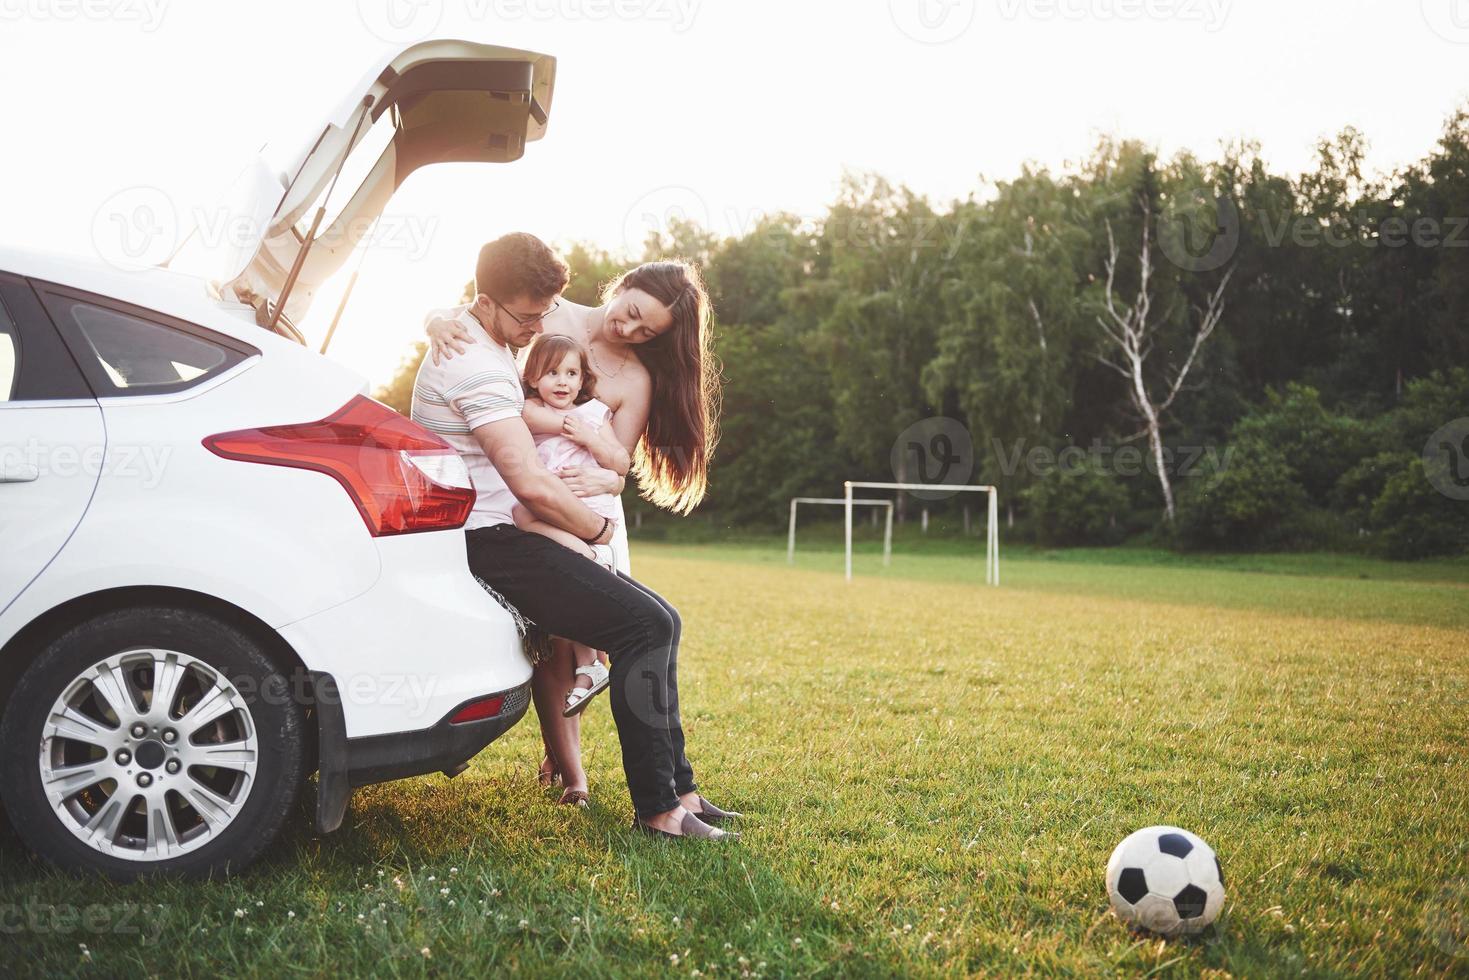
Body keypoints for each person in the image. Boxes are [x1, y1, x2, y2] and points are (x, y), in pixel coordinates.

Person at [411, 233, 737, 839]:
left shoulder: (495, 342)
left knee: (660, 620)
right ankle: (658, 809)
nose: (538, 328)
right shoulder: (475, 357)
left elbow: (598, 465)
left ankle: (678, 796)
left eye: (542, 316)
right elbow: (529, 483)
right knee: (643, 625)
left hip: (519, 524)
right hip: (492, 532)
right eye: (530, 317)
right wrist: (598, 530)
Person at [510, 334, 626, 716]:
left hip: (587, 504)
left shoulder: (594, 414)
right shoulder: (527, 409)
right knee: (525, 518)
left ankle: (589, 554)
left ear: (582, 379)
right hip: (558, 503)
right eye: (551, 372)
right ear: (532, 377)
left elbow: (620, 463)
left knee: (524, 517)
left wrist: (592, 440)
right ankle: (590, 664)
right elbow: (525, 418)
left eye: (571, 373)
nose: (562, 381)